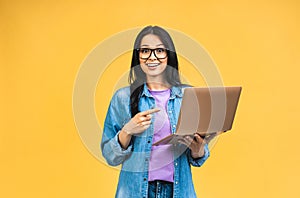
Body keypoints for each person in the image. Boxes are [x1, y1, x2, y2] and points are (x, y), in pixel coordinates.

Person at [101, 25, 217, 198]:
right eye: (145, 51)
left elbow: (198, 158)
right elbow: (110, 156)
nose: (152, 57)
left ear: (168, 55)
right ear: (137, 56)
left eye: (160, 50)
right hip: (135, 191)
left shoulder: (189, 96)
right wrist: (127, 131)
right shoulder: (123, 98)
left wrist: (198, 148)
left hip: (178, 191)